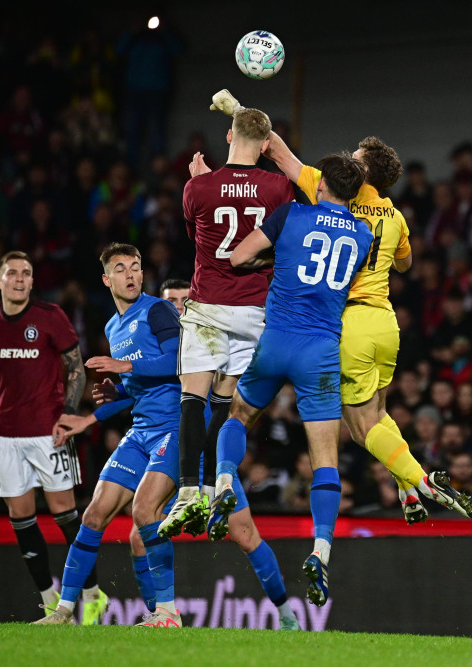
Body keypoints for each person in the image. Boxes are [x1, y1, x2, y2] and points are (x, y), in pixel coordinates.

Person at [211, 88, 472, 523]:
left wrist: (240, 110)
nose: (348, 160)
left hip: (345, 322)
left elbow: (275, 150)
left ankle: (421, 481)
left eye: (354, 156)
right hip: (386, 324)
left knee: (360, 428)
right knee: (379, 414)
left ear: (362, 170)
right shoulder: (395, 216)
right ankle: (407, 488)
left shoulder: (328, 190)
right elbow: (406, 265)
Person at [205, 152, 374, 607]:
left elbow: (239, 258)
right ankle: (320, 550)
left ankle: (223, 482)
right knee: (325, 459)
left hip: (277, 337)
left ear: (320, 186)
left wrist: (275, 262)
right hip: (319, 351)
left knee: (237, 417)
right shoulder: (364, 233)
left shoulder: (291, 214)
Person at [159, 106, 295, 538]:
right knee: (228, 406)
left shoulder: (197, 188)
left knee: (191, 399)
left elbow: (195, 239)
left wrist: (200, 180)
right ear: (267, 145)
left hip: (209, 305)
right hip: (255, 312)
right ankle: (219, 483)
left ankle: (186, 495)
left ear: (228, 135)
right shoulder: (279, 187)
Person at [36, 243, 181, 627]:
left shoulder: (158, 309)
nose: (132, 274)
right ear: (107, 279)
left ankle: (167, 612)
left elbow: (178, 362)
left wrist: (125, 365)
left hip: (173, 425)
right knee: (94, 514)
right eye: (121, 268)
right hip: (140, 430)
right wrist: (93, 416)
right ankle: (64, 611)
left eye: (136, 267)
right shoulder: (112, 326)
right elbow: (138, 387)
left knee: (144, 510)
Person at [0, 251, 106, 623]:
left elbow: (75, 368)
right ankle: (50, 600)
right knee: (20, 515)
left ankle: (93, 594)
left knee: (64, 513)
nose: (19, 279)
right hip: (7, 436)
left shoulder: (50, 317)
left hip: (49, 433)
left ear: (33, 282)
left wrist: (68, 414)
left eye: (26, 274)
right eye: (12, 273)